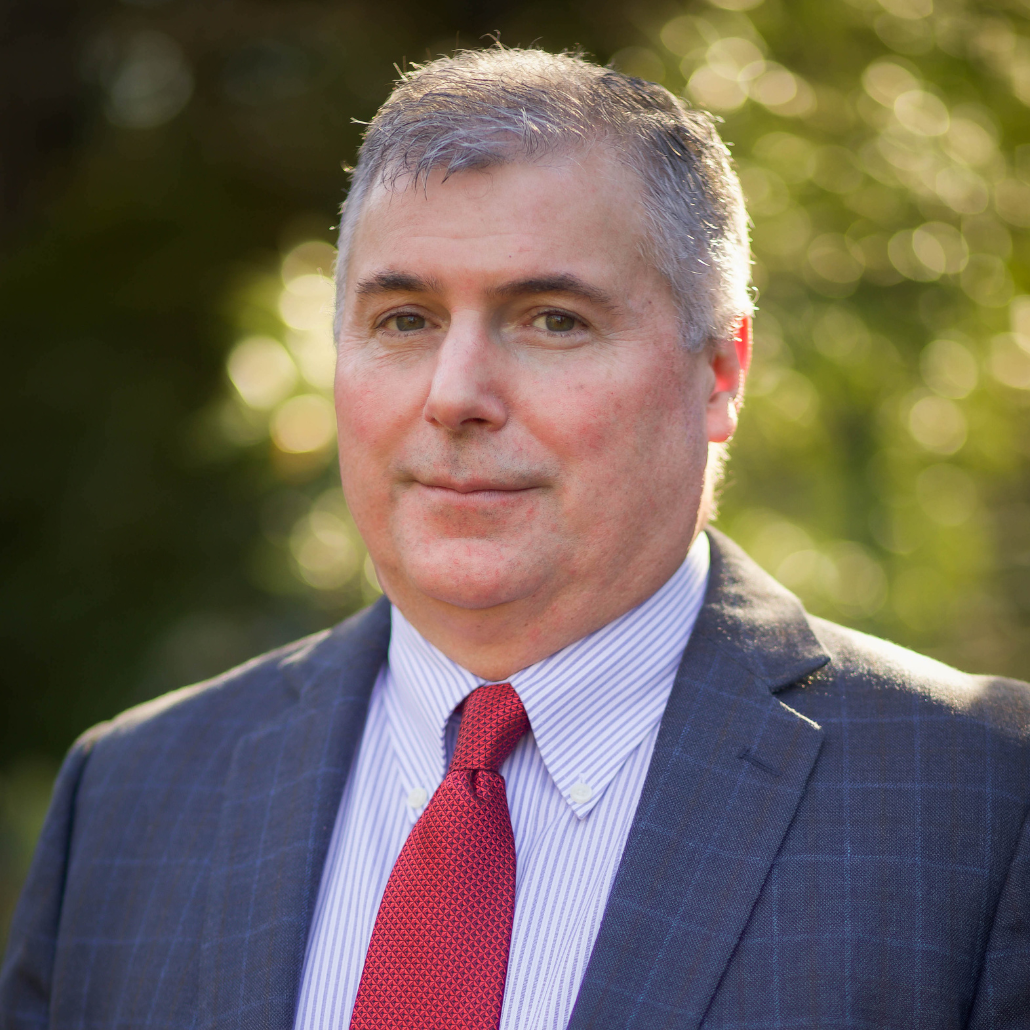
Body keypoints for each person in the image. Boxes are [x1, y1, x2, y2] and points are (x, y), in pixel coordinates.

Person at [1, 46, 1028, 1030]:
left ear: (718, 371)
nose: (455, 396)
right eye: (403, 319)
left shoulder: (982, 802)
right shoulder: (132, 797)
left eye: (550, 319)